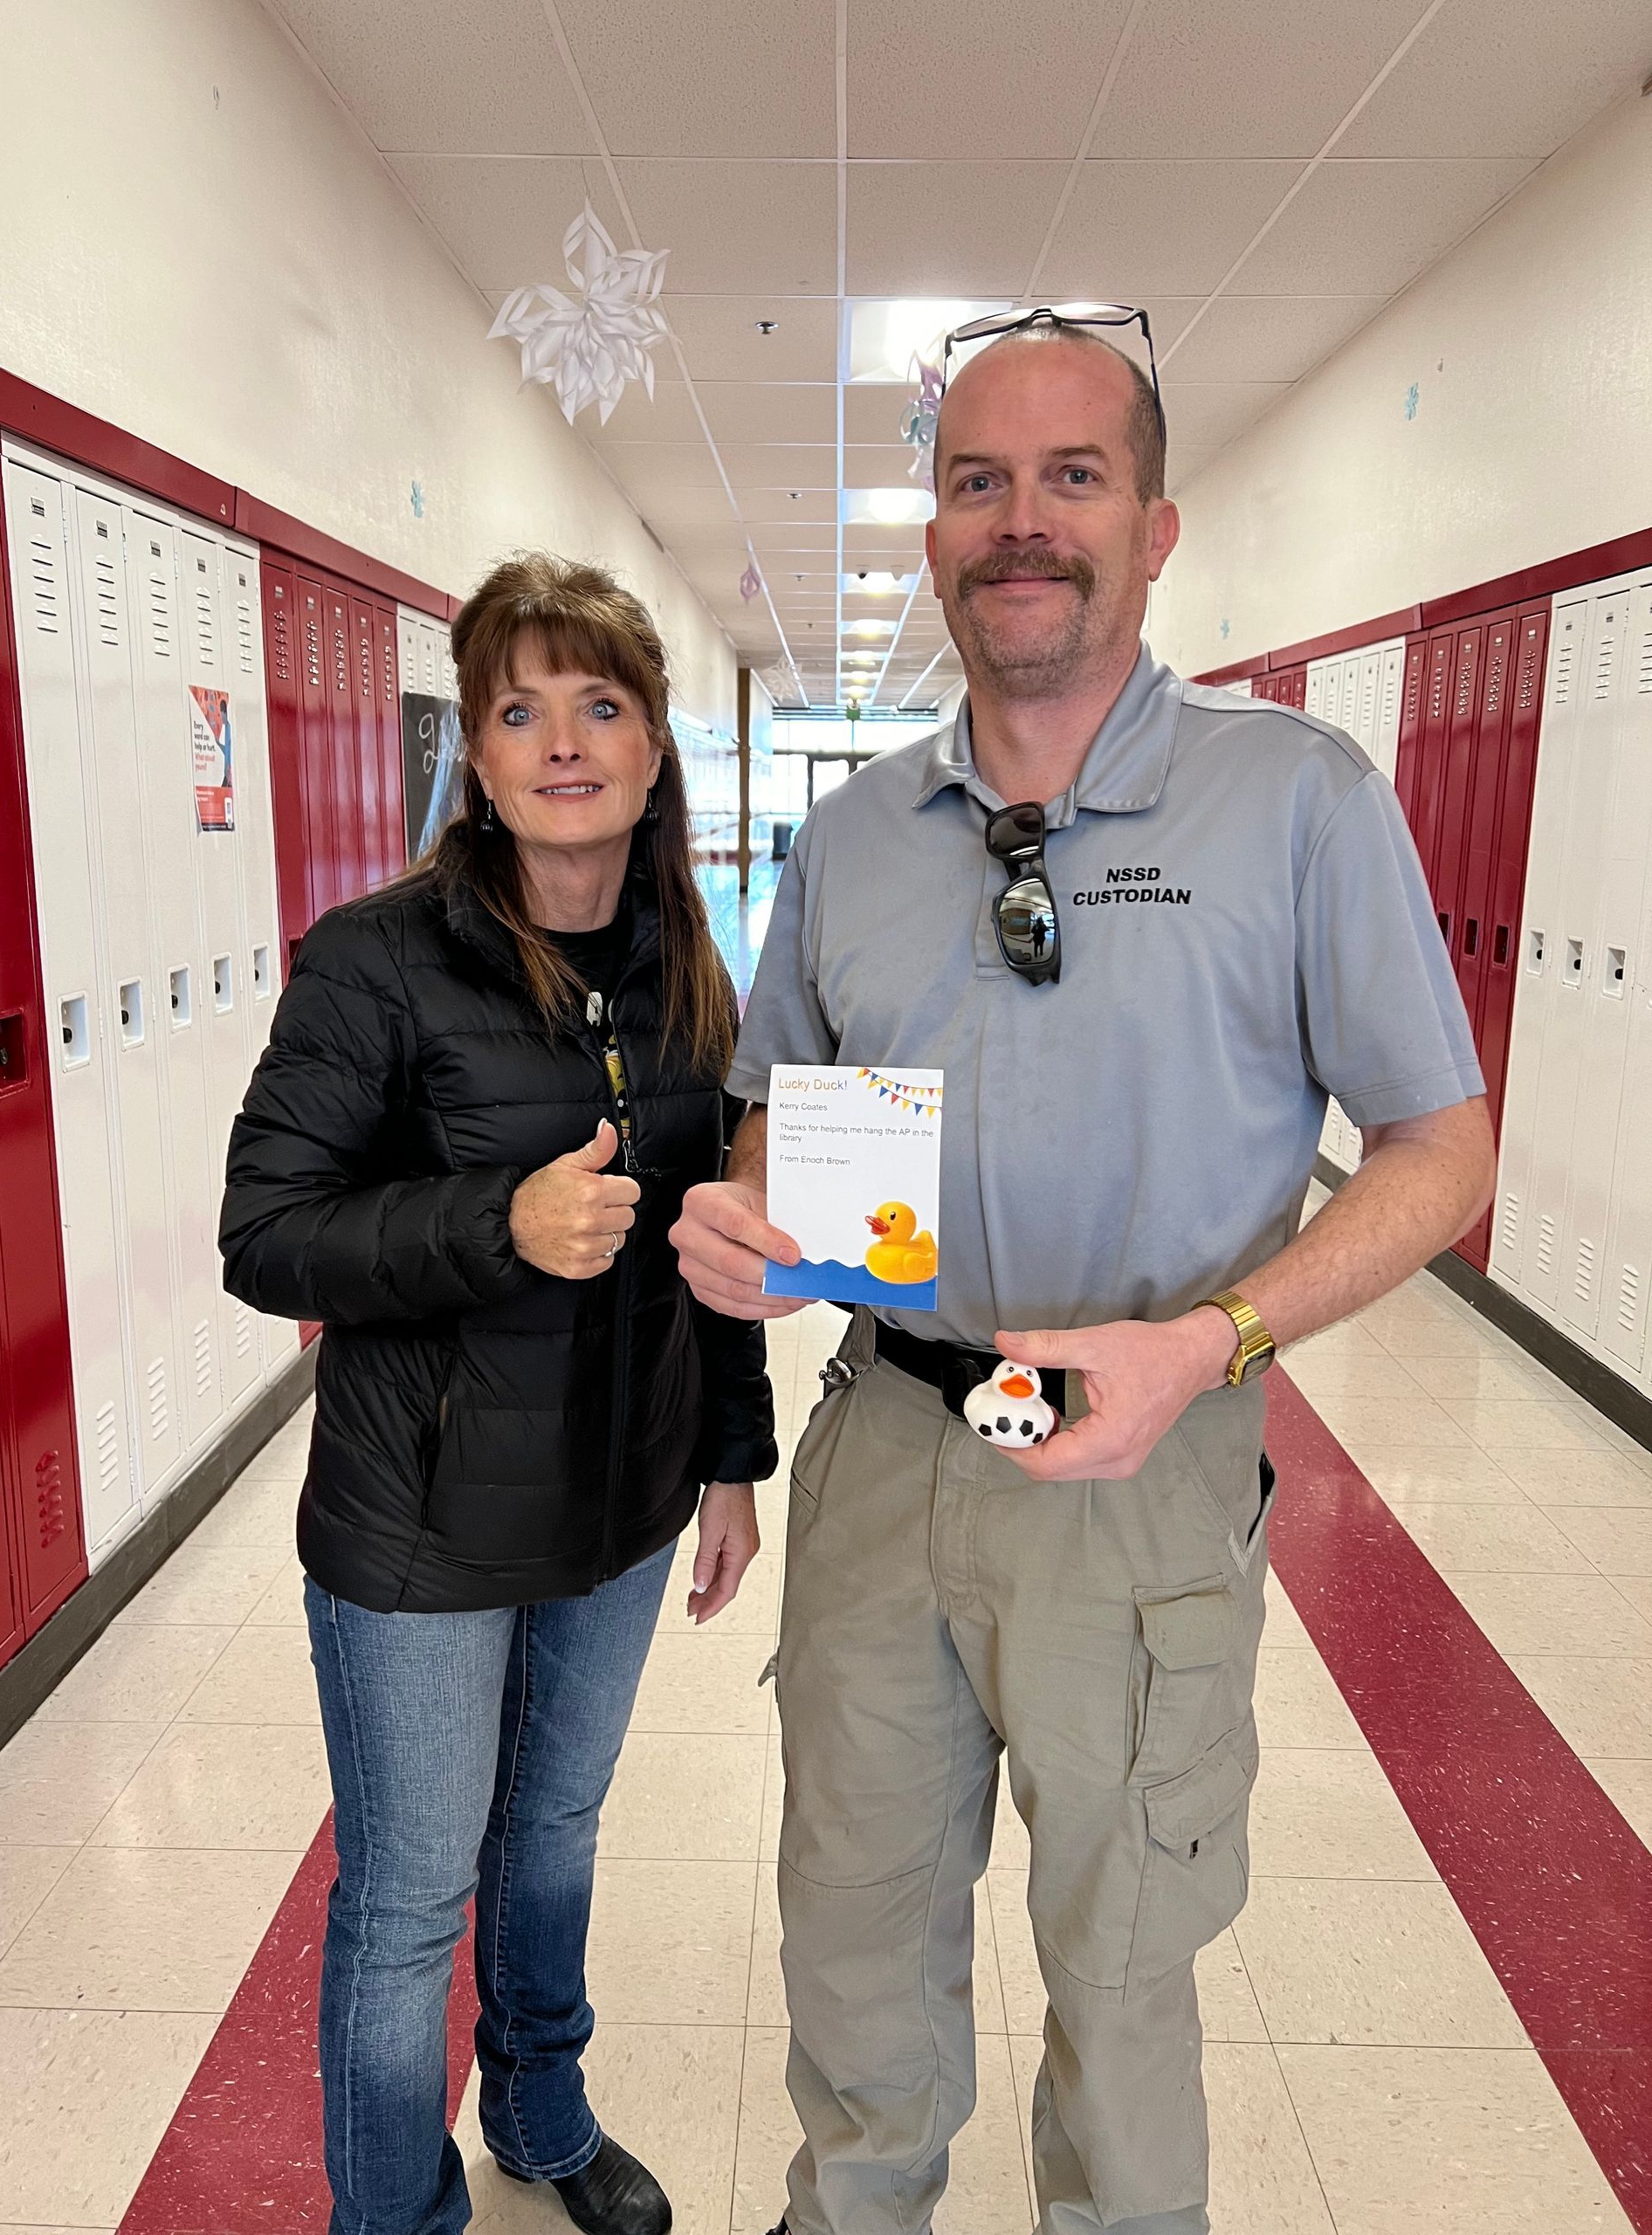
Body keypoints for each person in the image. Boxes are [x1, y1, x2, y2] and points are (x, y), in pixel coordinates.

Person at [671, 314, 1495, 2235]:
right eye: (976, 483)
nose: (1018, 522)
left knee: (1123, 1974)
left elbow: (1441, 1152)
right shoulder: (860, 837)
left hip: (1146, 1470)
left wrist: (1209, 1341)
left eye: (1070, 477)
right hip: (889, 1445)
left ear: (1157, 523)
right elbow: (787, 1114)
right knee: (855, 1946)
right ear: (934, 535)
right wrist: (761, 1224)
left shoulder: (1295, 801)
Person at [221, 553, 776, 2235]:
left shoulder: (690, 957)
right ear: (474, 748)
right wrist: (497, 1223)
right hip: (421, 1528)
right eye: (518, 709)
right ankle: (397, 2215)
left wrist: (732, 1461)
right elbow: (268, 1231)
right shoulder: (379, 961)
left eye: (598, 706)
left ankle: (540, 2112)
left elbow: (718, 1237)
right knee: (406, 1899)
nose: (559, 742)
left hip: (618, 1501)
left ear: (655, 747)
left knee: (553, 1838)